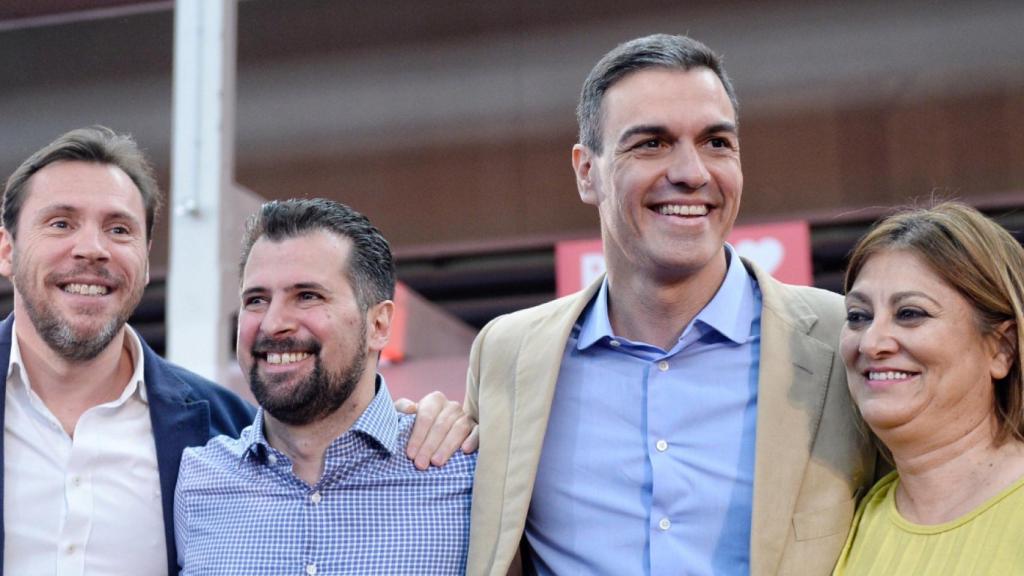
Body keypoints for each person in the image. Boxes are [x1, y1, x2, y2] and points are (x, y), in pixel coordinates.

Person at [465, 34, 877, 575]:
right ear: (587, 171)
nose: (692, 172)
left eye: (716, 143)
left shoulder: (839, 340)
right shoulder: (507, 352)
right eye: (652, 143)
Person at [0, 127, 471, 576]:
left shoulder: (215, 428)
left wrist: (461, 424)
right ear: (7, 251)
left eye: (119, 230)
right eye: (60, 223)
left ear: (146, 261)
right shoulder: (210, 469)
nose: (92, 249)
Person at [174, 198, 476, 575]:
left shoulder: (463, 474)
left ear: (379, 326)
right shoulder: (195, 480)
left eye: (307, 296)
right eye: (256, 300)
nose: (272, 324)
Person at [833, 202, 1024, 574]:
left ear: (1003, 348)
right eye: (858, 316)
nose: (872, 343)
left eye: (910, 313)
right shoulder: (855, 519)